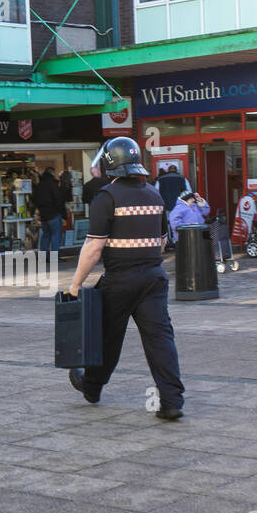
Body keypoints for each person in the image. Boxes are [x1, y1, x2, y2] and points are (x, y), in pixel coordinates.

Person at [67, 136, 185, 421]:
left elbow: (94, 247)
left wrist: (75, 284)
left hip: (120, 279)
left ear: (110, 164)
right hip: (153, 278)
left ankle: (92, 388)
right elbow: (161, 241)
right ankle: (171, 402)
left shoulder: (106, 197)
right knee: (160, 339)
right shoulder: (155, 196)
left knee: (108, 338)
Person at [153, 164, 190, 246]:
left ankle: (169, 242)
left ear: (168, 171)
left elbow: (155, 193)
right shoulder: (183, 179)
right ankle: (179, 241)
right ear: (176, 170)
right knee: (179, 223)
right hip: (179, 206)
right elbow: (188, 192)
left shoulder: (160, 179)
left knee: (167, 224)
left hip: (165, 206)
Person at [33, 166, 65, 255]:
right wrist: (61, 212)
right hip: (53, 214)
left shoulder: (39, 185)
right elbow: (58, 199)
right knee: (55, 236)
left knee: (45, 235)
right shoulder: (53, 184)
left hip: (43, 215)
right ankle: (55, 258)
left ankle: (44, 257)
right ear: (52, 173)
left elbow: (35, 199)